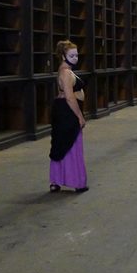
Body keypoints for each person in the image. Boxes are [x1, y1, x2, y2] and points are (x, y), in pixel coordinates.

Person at [49, 41, 88, 193]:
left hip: (64, 110)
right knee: (71, 145)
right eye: (72, 55)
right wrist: (80, 116)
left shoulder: (67, 70)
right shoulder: (65, 72)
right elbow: (70, 97)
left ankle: (56, 180)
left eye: (76, 55)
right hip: (67, 111)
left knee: (62, 143)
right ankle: (77, 182)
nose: (75, 58)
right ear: (63, 56)